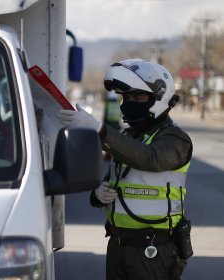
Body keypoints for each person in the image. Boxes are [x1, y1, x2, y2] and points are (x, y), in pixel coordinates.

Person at [57, 58, 193, 280]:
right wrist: (98, 194)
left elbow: (150, 159)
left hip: (154, 250)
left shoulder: (175, 138)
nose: (129, 102)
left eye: (137, 97)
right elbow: (113, 181)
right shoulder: (128, 137)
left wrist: (99, 130)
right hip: (119, 246)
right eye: (126, 97)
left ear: (158, 98)